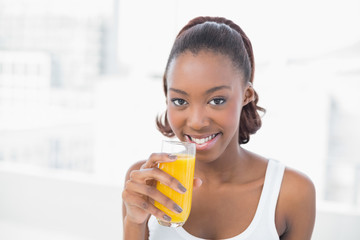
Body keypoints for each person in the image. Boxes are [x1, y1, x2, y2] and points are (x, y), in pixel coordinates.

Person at [122, 16, 316, 240]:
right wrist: (133, 223)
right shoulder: (145, 183)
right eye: (180, 101)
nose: (196, 121)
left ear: (246, 96)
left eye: (217, 100)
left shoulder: (290, 193)